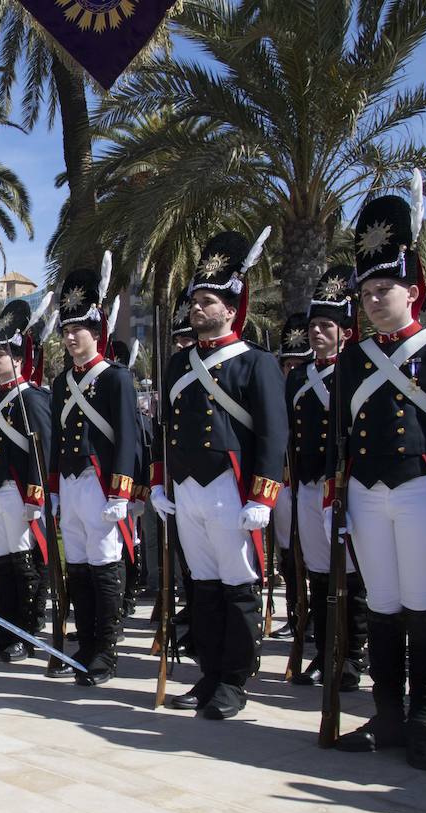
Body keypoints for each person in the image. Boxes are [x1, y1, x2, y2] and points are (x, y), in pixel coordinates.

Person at [329, 189, 426, 770]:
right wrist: (334, 496)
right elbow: (343, 436)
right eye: (365, 293)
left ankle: (423, 720)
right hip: (366, 494)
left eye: (382, 290)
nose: (371, 301)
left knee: (423, 607)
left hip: (422, 491)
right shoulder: (353, 357)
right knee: (385, 606)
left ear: (412, 291)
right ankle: (387, 715)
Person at [152, 228, 286, 720]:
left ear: (232, 308)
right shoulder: (178, 363)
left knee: (236, 586)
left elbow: (274, 434)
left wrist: (263, 496)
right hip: (186, 488)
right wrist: (159, 481)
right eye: (195, 302)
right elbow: (164, 427)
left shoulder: (256, 363)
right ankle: (208, 673)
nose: (198, 309)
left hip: (231, 489)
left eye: (208, 301)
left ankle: (233, 679)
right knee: (202, 587)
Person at [49, 260, 139, 685]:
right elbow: (54, 438)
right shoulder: (62, 383)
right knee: (79, 568)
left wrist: (121, 492)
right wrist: (50, 488)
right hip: (69, 483)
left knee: (104, 567)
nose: (70, 338)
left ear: (96, 329)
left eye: (77, 330)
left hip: (101, 485)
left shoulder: (116, 378)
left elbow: (127, 438)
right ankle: (84, 644)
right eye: (65, 330)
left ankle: (105, 650)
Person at [282, 267, 369, 689]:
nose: (316, 332)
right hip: (306, 484)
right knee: (317, 572)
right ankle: (323, 651)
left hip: (343, 487)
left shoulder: (355, 372)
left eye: (326, 325)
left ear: (345, 332)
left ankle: (351, 655)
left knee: (348, 574)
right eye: (314, 325)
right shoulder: (298, 377)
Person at [0, 299, 52, 664]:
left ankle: (27, 632)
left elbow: (42, 450)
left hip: (20, 493)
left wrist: (36, 496)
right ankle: (4, 630)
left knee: (23, 566)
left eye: (0, 353)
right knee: (0, 566)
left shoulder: (32, 399)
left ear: (18, 358)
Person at [269, 312, 311, 640]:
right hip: (282, 485)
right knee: (288, 553)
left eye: (299, 364)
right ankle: (297, 614)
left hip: (310, 483)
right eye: (288, 364)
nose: (292, 371)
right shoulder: (274, 395)